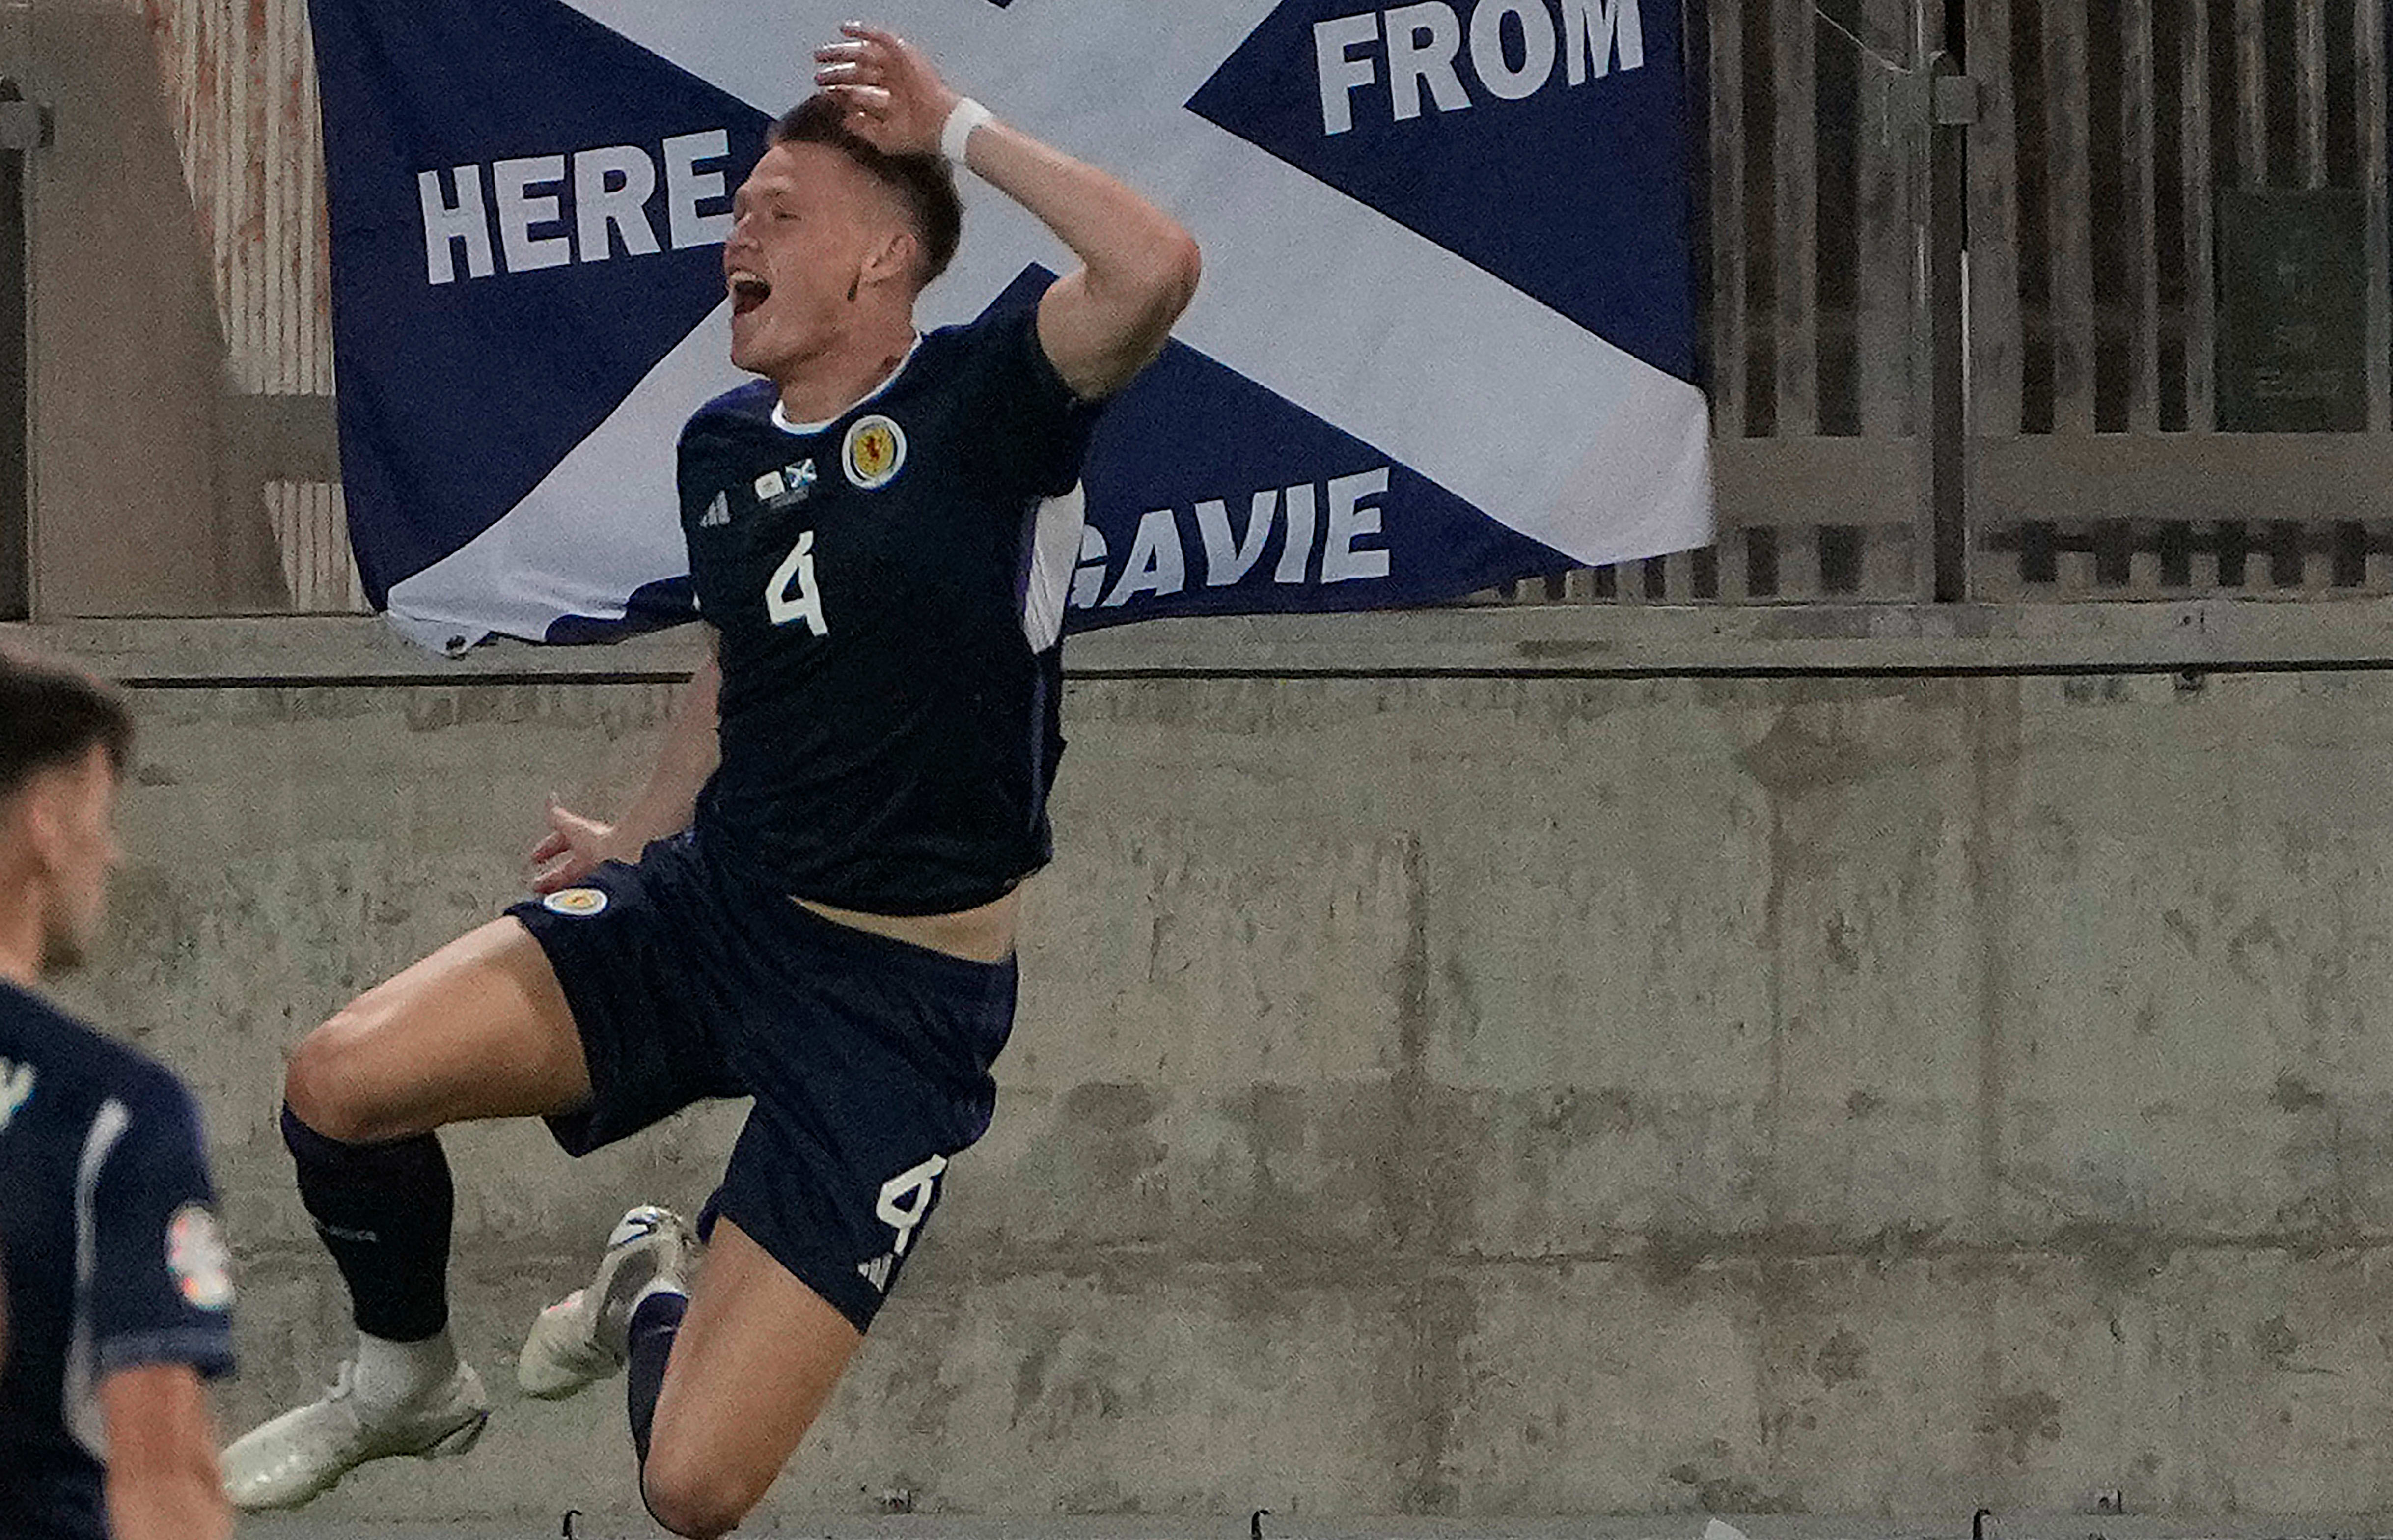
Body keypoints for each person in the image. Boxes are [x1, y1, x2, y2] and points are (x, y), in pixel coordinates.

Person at [220, 22, 1199, 1538]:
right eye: (737, 209)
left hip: (894, 1008)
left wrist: (955, 127)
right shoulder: (723, 450)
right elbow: (742, 663)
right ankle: (402, 1378)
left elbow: (1154, 268)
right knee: (339, 1083)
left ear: (882, 258)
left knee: (691, 1490)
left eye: (780, 212)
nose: (738, 235)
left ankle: (648, 1288)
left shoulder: (985, 403)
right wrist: (636, 834)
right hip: (717, 911)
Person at [0, 647, 238, 1540]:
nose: (112, 853)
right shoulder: (107, 1111)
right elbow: (164, 1479)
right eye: (101, 817)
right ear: (46, 822)